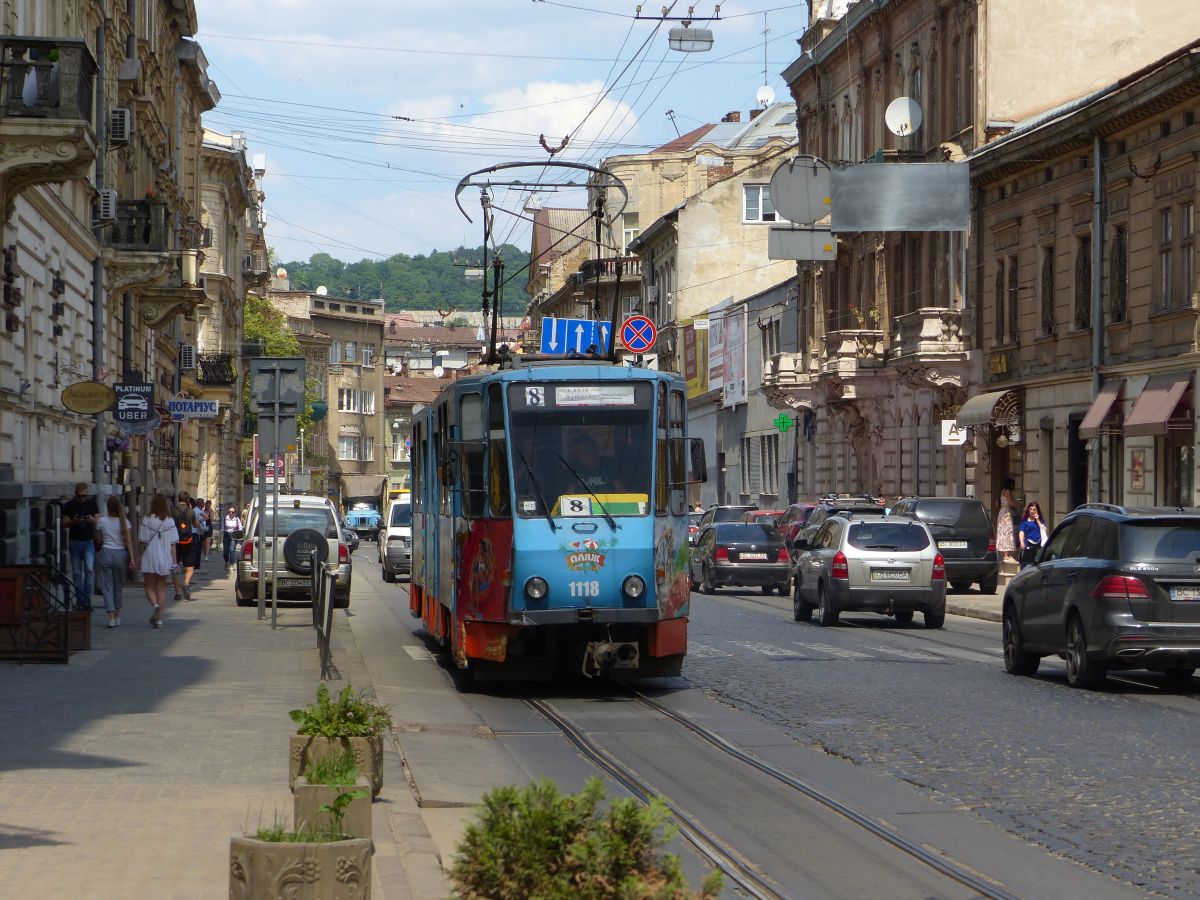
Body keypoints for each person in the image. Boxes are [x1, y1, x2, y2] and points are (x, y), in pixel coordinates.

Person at [95, 495, 137, 627]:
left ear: (107, 507)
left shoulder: (101, 521)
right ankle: (118, 615)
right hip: (120, 554)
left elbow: (98, 541)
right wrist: (132, 559)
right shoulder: (125, 522)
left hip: (106, 552)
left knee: (107, 587)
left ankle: (111, 616)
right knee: (118, 586)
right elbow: (129, 542)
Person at [138, 493, 178, 628]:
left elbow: (142, 541)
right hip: (165, 557)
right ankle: (159, 619)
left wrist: (138, 556)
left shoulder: (147, 519)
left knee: (149, 586)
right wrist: (175, 562)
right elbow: (173, 544)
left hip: (150, 556)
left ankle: (155, 605)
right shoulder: (170, 521)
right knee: (161, 588)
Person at [62, 482, 100, 611]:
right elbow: (64, 523)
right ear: (76, 494)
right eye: (80, 496)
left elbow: (99, 521)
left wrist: (92, 521)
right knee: (77, 573)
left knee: (89, 570)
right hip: (75, 541)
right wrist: (74, 521)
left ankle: (86, 600)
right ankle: (80, 601)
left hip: (89, 541)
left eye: (85, 496)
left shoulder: (92, 504)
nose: (82, 498)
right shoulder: (69, 505)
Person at [173, 492, 199, 601]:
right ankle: (186, 583)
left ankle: (177, 593)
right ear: (188, 499)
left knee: (174, 566)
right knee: (190, 566)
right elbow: (196, 525)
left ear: (178, 499)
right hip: (188, 540)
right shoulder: (191, 511)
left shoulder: (173, 510)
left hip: (175, 541)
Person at [995, 477, 1020, 564]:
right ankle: (1006, 554)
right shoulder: (1007, 491)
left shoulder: (1002, 491)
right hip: (1006, 514)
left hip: (1002, 512)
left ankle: (1005, 554)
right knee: (1007, 531)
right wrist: (1018, 504)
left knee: (1003, 531)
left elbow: (997, 503)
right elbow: (1011, 503)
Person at [1018, 502, 1049, 569]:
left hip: (1038, 546)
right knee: (1026, 565)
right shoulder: (1025, 521)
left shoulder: (1040, 520)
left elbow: (1044, 530)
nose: (1032, 511)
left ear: (1037, 510)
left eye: (1034, 509)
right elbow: (1021, 532)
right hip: (1028, 545)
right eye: (1030, 509)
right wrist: (1021, 541)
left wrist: (1038, 520)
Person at [222, 504, 244, 573]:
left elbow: (240, 528)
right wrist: (219, 538)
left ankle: (231, 565)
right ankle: (226, 562)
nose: (231, 513)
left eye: (232, 512)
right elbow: (222, 529)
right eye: (229, 512)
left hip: (234, 536)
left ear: (235, 512)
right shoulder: (225, 518)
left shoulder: (237, 519)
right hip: (226, 535)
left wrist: (240, 533)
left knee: (232, 550)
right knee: (225, 551)